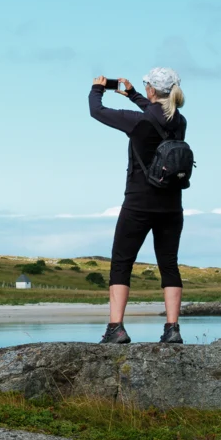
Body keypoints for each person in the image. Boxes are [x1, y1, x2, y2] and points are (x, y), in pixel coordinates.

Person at [87, 67, 187, 344]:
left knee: (121, 263)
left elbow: (97, 111)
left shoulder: (138, 122)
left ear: (151, 90)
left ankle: (116, 328)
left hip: (139, 203)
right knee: (169, 264)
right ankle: (172, 328)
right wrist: (132, 95)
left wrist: (98, 88)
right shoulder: (180, 122)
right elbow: (159, 113)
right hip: (172, 205)